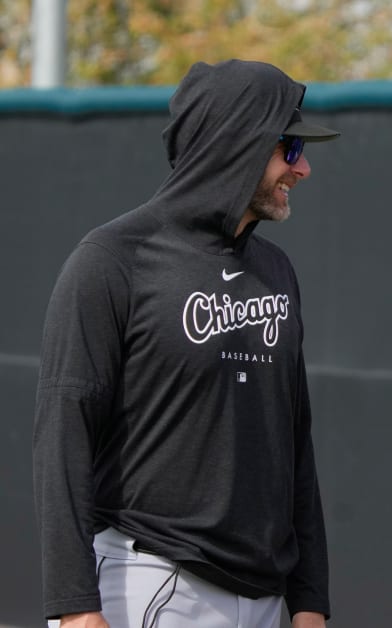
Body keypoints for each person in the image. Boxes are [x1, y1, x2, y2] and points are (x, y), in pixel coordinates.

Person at [33, 59, 338, 628]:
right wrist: (75, 609)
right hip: (155, 584)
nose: (304, 168)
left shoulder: (277, 271)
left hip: (268, 597)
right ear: (237, 144)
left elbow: (293, 445)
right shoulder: (111, 260)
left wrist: (311, 602)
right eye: (291, 148)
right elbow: (62, 438)